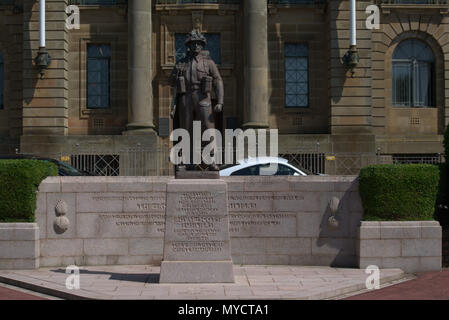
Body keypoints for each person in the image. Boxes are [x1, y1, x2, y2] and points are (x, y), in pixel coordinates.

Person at [169, 30, 224, 171]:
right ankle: (185, 161)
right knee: (185, 129)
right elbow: (172, 84)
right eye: (193, 44)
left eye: (199, 44)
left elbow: (218, 81)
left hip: (203, 97)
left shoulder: (209, 63)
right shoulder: (181, 63)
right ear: (189, 45)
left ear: (202, 46)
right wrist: (173, 104)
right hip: (185, 98)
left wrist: (219, 101)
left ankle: (211, 160)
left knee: (208, 128)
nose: (196, 46)